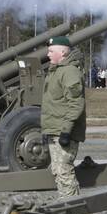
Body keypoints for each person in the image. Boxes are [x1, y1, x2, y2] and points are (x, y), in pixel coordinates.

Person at [41, 35, 86, 200]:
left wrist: (66, 131)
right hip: (55, 130)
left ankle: (70, 212)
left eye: (51, 51)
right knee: (59, 171)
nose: (48, 54)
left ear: (63, 52)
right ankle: (66, 207)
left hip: (64, 132)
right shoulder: (56, 71)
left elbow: (75, 104)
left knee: (64, 172)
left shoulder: (69, 72)